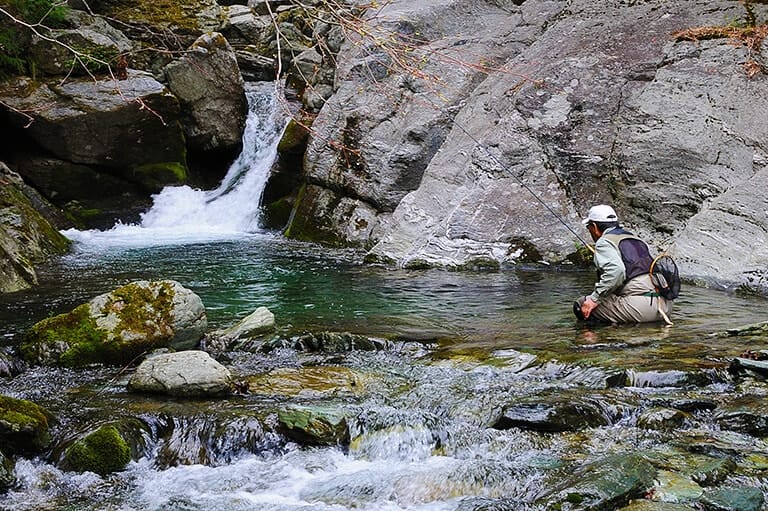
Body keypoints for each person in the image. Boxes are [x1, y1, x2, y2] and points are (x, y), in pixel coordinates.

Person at [574, 205, 672, 324]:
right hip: (664, 307)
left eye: (588, 227)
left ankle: (605, 334)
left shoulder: (604, 242)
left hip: (642, 310)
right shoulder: (635, 239)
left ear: (594, 227)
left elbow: (616, 272)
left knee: (582, 304)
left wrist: (594, 299)